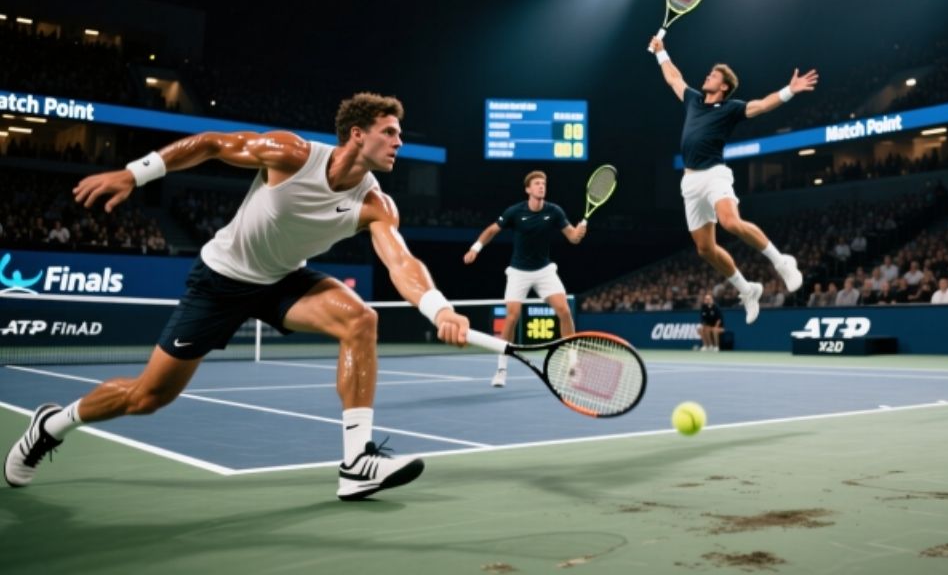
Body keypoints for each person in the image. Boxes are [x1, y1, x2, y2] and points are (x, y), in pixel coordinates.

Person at [4, 93, 472, 500]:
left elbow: (400, 262)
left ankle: (357, 464)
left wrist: (439, 308)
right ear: (357, 134)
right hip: (221, 280)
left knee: (361, 320)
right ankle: (52, 424)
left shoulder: (375, 204)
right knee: (147, 397)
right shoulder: (291, 154)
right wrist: (134, 174)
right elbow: (211, 143)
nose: (399, 142)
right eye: (389, 132)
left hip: (282, 280)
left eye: (399, 134)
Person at [649, 36, 816, 325]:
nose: (707, 76)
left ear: (724, 86)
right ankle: (747, 289)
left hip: (715, 174)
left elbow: (762, 105)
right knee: (705, 249)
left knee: (730, 222)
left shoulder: (730, 109)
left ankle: (782, 262)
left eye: (713, 75)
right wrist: (661, 53)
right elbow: (674, 78)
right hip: (690, 182)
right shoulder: (693, 100)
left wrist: (789, 90)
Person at [463, 170, 586, 387]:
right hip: (518, 272)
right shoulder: (515, 212)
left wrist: (579, 231)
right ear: (528, 189)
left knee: (565, 311)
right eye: (537, 183)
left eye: (543, 183)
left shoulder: (554, 211)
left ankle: (573, 364)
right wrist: (476, 248)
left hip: (544, 271)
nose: (541, 186)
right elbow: (492, 230)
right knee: (512, 317)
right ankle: (501, 370)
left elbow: (573, 238)